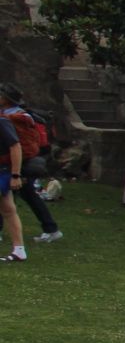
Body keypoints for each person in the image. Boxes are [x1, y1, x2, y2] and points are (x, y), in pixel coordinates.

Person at [1, 86, 59, 242]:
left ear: (6, 99)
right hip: (17, 163)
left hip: (19, 163)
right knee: (16, 197)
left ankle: (51, 229)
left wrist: (17, 172)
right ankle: (51, 228)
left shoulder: (14, 118)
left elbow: (19, 145)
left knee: (19, 196)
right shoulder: (14, 115)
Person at [0, 110, 24, 262]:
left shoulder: (2, 122)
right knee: (8, 209)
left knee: (8, 209)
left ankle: (19, 249)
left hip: (2, 170)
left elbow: (15, 146)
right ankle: (19, 250)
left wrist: (16, 175)